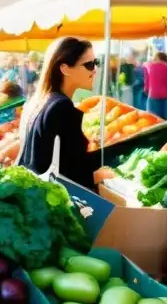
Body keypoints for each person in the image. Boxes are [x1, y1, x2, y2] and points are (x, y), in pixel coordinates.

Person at [17, 37, 112, 190]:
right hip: (52, 201)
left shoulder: (40, 100)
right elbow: (68, 173)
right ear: (65, 69)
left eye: (96, 63)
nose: (95, 70)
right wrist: (98, 176)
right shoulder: (61, 106)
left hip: (34, 194)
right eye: (89, 64)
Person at [144, 51, 167, 119]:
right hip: (166, 99)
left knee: (152, 121)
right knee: (164, 122)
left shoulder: (149, 67)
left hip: (153, 98)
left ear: (157, 58)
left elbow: (146, 88)